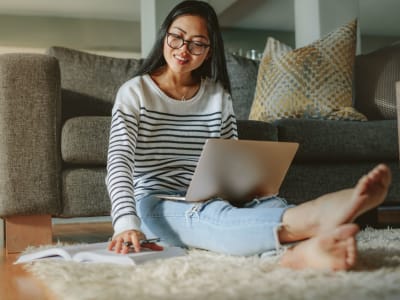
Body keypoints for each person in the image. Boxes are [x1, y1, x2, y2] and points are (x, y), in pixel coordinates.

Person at [106, 0, 392, 271]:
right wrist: (125, 223)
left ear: (209, 51)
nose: (184, 49)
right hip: (156, 202)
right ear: (165, 36)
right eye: (177, 37)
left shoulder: (217, 95)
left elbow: (229, 159)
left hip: (207, 197)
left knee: (267, 203)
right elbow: (118, 161)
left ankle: (300, 251)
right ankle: (313, 218)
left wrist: (243, 191)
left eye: (197, 43)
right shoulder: (135, 92)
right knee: (213, 219)